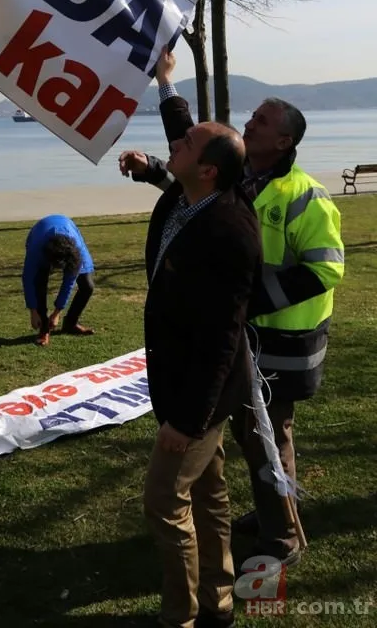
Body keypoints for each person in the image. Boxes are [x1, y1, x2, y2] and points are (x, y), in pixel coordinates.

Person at [120, 49, 344, 567]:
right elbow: (195, 179)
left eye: (261, 121)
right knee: (241, 437)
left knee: (267, 440)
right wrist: (158, 147)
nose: (249, 121)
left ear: (284, 140)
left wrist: (246, 302)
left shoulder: (304, 196)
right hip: (241, 338)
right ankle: (268, 515)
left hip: (282, 347)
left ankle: (282, 537)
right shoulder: (242, 182)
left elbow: (326, 269)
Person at [134, 115, 261, 628]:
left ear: (208, 170)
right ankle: (218, 600)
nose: (174, 146)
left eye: (185, 145)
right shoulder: (183, 200)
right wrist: (166, 86)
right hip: (178, 380)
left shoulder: (230, 231)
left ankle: (180, 617)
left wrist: (187, 420)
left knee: (164, 500)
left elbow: (222, 339)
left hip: (198, 397)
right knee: (208, 494)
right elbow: (185, 147)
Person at [22, 215, 96, 346]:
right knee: (39, 281)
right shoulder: (36, 250)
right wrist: (33, 311)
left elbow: (69, 282)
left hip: (71, 234)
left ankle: (70, 324)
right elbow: (28, 279)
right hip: (40, 234)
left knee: (87, 285)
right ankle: (44, 328)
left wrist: (57, 312)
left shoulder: (75, 250)